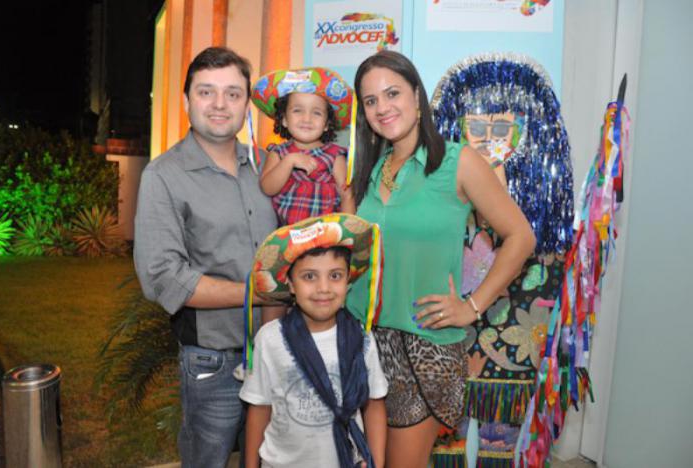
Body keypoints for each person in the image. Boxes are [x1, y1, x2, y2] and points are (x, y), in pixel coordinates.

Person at [345, 50, 536, 468]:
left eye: (392, 93)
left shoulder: (457, 162)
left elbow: (521, 237)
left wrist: (472, 306)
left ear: (416, 95)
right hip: (362, 342)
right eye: (371, 100)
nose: (382, 107)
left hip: (423, 347)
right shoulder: (367, 171)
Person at [133, 46, 278, 468]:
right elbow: (163, 278)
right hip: (213, 362)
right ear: (186, 101)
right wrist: (258, 294)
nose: (219, 104)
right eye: (206, 92)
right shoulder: (164, 176)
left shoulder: (268, 168)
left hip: (280, 355)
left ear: (247, 105)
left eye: (233, 94)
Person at [429, 54, 574, 468]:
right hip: (452, 316)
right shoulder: (443, 182)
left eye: (501, 128)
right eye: (476, 128)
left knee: (501, 433)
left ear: (525, 131)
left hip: (518, 316)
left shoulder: (543, 200)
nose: (488, 139)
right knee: (445, 426)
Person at [240, 214, 388, 468]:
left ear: (348, 280)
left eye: (335, 276)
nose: (323, 288)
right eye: (309, 276)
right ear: (290, 284)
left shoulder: (362, 339)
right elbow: (260, 408)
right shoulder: (270, 338)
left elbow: (373, 403)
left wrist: (376, 462)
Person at [251, 67, 356, 225]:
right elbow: (267, 188)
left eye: (316, 113)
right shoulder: (279, 153)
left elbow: (347, 195)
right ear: (284, 119)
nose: (307, 119)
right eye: (297, 110)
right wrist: (289, 161)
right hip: (287, 234)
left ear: (327, 124)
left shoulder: (335, 155)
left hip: (326, 233)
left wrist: (348, 231)